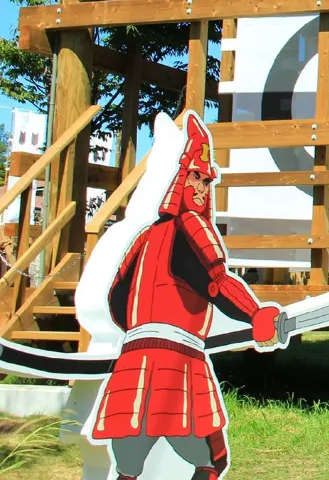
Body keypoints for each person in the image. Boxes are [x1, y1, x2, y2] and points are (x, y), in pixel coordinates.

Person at [90, 114, 282, 480]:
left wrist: (140, 333)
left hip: (134, 361)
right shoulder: (192, 227)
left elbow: (118, 300)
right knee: (208, 460)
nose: (203, 188)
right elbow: (217, 281)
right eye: (197, 177)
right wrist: (256, 315)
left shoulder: (144, 238)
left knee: (128, 463)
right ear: (181, 179)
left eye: (208, 181)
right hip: (175, 361)